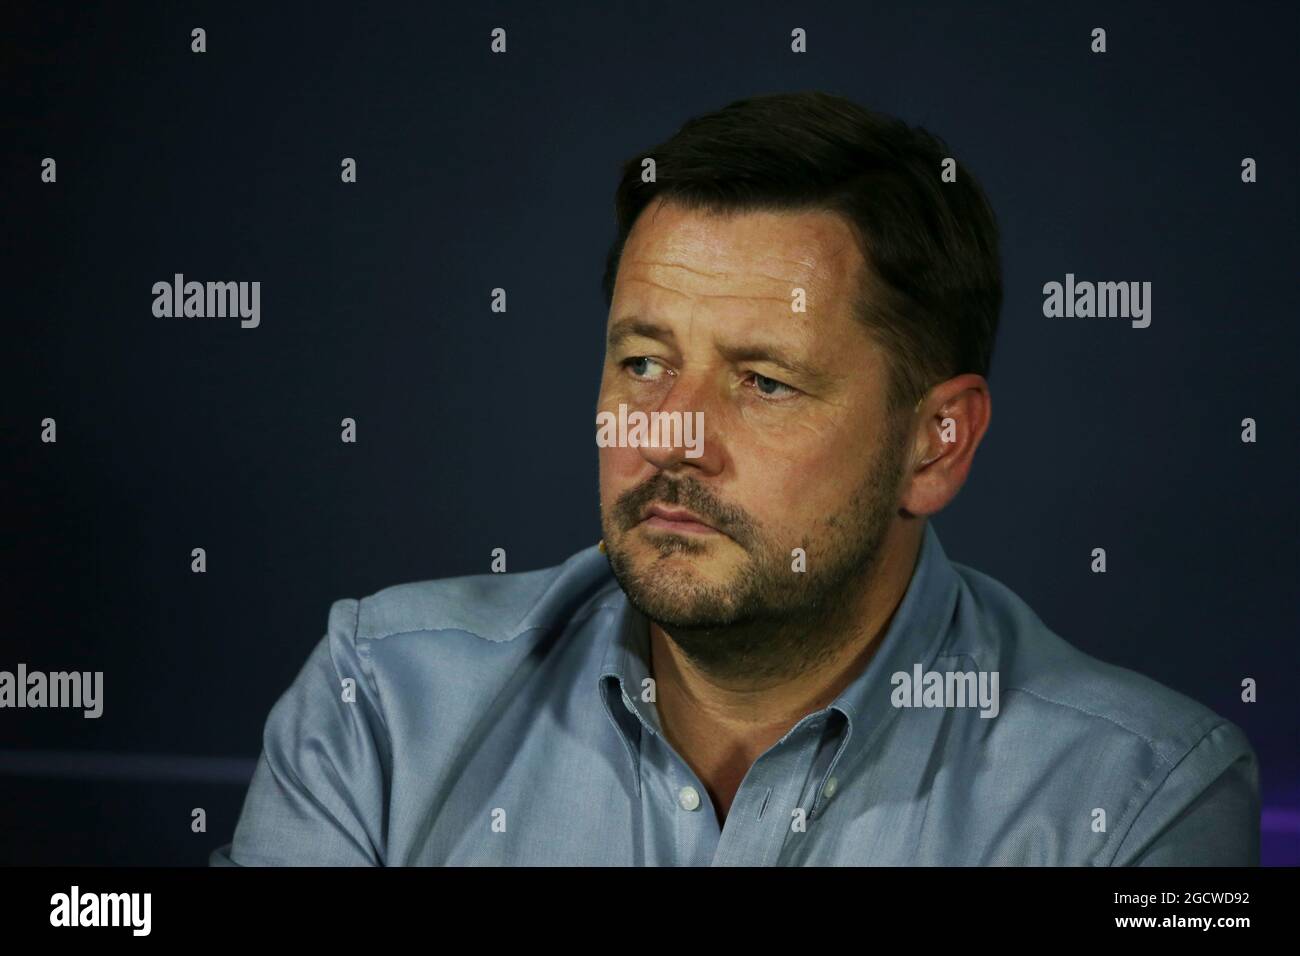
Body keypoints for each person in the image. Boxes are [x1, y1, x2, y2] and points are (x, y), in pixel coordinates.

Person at [211, 91, 1258, 866]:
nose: (670, 434)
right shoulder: (386, 701)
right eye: (644, 361)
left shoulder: (1138, 800)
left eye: (761, 381)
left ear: (936, 440)